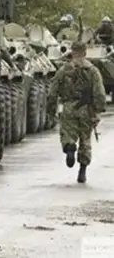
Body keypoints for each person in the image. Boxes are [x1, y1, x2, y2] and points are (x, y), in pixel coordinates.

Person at [46, 41, 106, 183]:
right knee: (85, 139)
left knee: (67, 133)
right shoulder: (92, 70)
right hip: (86, 109)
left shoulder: (63, 70)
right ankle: (82, 171)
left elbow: (52, 92)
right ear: (85, 52)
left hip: (69, 107)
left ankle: (70, 148)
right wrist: (98, 111)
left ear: (72, 52)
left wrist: (51, 110)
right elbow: (99, 93)